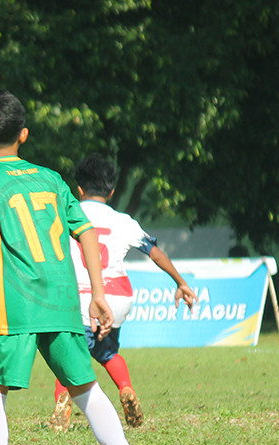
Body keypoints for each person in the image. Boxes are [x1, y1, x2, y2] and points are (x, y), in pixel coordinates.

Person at [0, 90, 153, 445]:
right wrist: (98, 293)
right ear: (23, 135)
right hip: (63, 300)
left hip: (14, 302)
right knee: (86, 387)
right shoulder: (50, 178)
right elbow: (84, 232)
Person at [49, 154, 197, 430]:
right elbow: (154, 252)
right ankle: (126, 388)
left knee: (68, 353)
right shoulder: (124, 220)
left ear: (78, 190)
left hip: (81, 296)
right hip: (117, 297)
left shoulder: (65, 214)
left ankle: (62, 405)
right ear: (113, 191)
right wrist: (180, 282)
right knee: (108, 352)